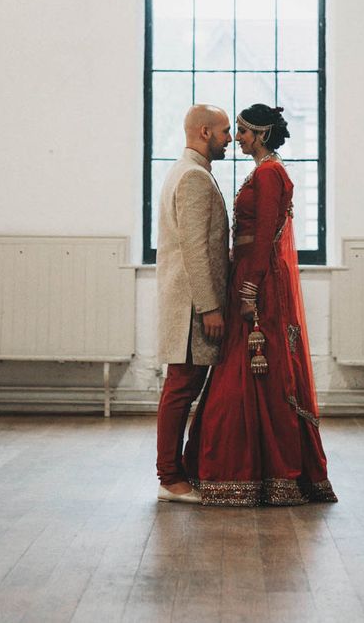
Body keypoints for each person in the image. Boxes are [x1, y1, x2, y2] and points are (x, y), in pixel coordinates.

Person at [183, 104, 337, 507]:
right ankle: (250, 473)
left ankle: (255, 473)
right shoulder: (265, 172)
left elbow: (267, 235)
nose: (238, 138)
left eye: (244, 131)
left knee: (254, 368)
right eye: (234, 130)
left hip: (259, 283)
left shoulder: (270, 174)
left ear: (262, 134)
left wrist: (250, 288)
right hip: (250, 276)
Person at [155, 104, 231, 503]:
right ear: (204, 132)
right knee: (181, 388)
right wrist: (209, 307)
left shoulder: (186, 171)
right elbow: (195, 251)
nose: (229, 139)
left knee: (183, 386)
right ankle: (170, 479)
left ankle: (176, 471)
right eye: (224, 131)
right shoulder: (194, 178)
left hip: (189, 303)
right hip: (190, 306)